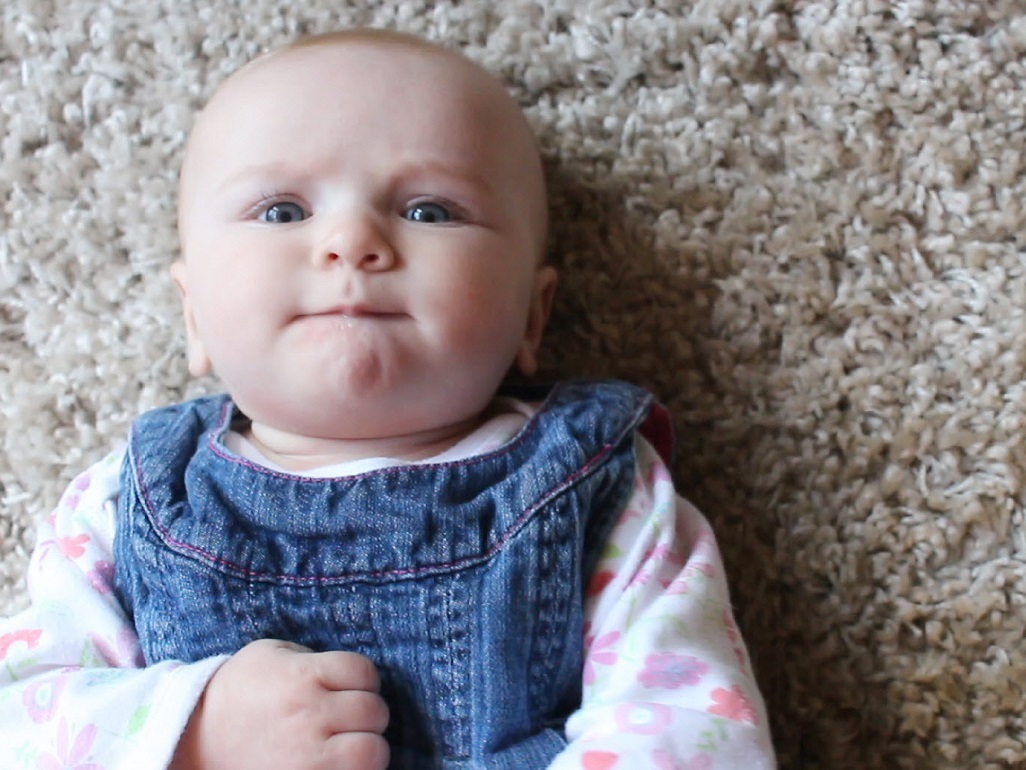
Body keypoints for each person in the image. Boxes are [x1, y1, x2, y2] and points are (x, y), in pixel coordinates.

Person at [0, 29, 776, 770]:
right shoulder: (124, 504)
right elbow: (21, 720)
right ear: (194, 315)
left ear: (530, 318)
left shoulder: (598, 487)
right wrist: (191, 729)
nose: (351, 240)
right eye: (282, 211)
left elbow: (684, 721)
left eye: (428, 211)